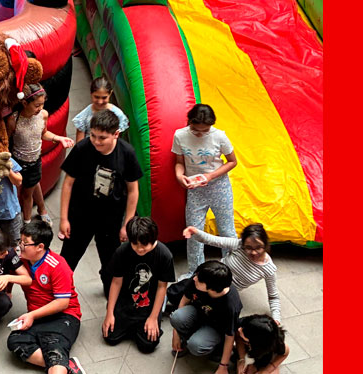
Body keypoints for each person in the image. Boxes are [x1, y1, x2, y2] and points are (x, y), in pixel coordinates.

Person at [58, 109, 142, 297]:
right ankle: (59, 293)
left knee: (110, 262)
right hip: (80, 215)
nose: (96, 141)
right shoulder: (82, 149)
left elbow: (133, 190)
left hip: (110, 220)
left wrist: (127, 223)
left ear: (116, 134)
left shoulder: (126, 153)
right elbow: (68, 184)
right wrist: (64, 219)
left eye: (102, 138)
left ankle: (109, 289)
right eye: (93, 135)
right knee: (67, 260)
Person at [7, 219, 86, 374]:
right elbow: (12, 273)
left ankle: (59, 362)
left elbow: (63, 303)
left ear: (40, 247)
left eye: (25, 243)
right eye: (20, 241)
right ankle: (66, 364)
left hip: (63, 317)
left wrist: (31, 315)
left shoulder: (58, 265)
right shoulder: (21, 260)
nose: (20, 246)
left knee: (53, 347)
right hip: (37, 316)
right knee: (15, 342)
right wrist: (8, 291)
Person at [172, 103, 238, 278]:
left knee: (227, 231)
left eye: (205, 130)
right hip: (195, 190)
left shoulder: (220, 136)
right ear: (190, 122)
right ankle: (195, 272)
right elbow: (179, 162)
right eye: (196, 130)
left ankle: (231, 270)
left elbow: (232, 161)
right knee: (193, 232)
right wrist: (180, 177)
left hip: (219, 187)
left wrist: (211, 176)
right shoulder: (180, 135)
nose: (200, 134)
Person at [176, 224, 281, 323]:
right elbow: (212, 240)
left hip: (225, 293)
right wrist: (195, 231)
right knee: (178, 294)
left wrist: (276, 318)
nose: (253, 252)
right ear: (243, 244)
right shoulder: (238, 245)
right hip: (211, 277)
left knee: (207, 314)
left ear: (266, 244)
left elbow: (273, 296)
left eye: (258, 247)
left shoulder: (269, 269)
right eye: (248, 248)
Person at [102, 217, 174, 353]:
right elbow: (116, 282)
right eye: (135, 244)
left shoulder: (164, 255)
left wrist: (153, 318)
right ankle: (130, 325)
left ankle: (145, 323)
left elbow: (162, 287)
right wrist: (109, 313)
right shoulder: (122, 252)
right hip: (126, 299)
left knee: (148, 345)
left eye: (144, 245)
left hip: (149, 302)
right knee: (110, 337)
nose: (139, 249)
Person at [7, 83, 74, 224]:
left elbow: (44, 133)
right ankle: (39, 211)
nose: (40, 108)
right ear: (25, 103)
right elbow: (6, 141)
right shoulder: (14, 120)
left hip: (34, 161)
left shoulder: (43, 115)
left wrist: (58, 138)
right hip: (18, 162)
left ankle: (27, 222)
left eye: (42, 104)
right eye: (37, 105)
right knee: (27, 188)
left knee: (27, 194)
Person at [170, 261, 242, 374]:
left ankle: (217, 348)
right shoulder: (197, 279)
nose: (194, 279)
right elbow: (184, 300)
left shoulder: (230, 305)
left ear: (212, 288)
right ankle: (187, 337)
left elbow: (230, 335)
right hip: (199, 313)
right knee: (176, 317)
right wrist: (176, 334)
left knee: (196, 346)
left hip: (216, 327)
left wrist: (223, 366)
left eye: (199, 280)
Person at [72, 76, 129, 143]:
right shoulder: (84, 116)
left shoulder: (118, 115)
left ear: (110, 94)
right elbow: (79, 144)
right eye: (96, 97)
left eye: (104, 98)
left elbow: (118, 140)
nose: (100, 102)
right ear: (91, 94)